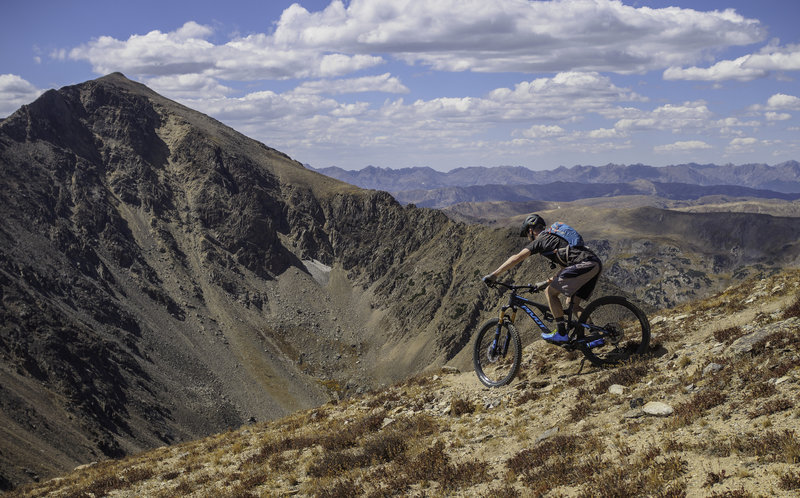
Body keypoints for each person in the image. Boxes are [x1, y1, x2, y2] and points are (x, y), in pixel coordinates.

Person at [482, 214, 602, 343]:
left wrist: (494, 275)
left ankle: (561, 333)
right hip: (594, 264)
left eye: (528, 235)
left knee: (550, 293)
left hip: (583, 265)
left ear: (530, 230)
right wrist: (545, 282)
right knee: (572, 304)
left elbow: (517, 257)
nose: (529, 239)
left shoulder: (542, 239)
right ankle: (596, 335)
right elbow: (563, 270)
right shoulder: (556, 240)